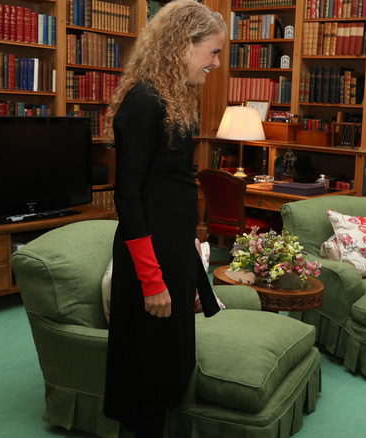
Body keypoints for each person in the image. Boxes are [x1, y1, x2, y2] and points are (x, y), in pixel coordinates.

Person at [102, 2, 226, 436]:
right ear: (181, 45)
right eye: (211, 52)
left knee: (168, 367)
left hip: (172, 251)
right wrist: (152, 280)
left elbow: (171, 187)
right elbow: (129, 197)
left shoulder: (175, 100)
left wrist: (189, 241)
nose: (215, 62)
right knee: (145, 375)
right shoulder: (142, 102)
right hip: (147, 261)